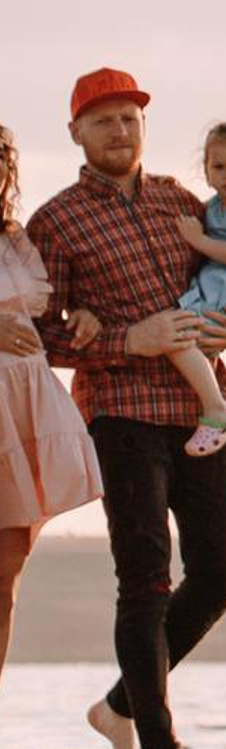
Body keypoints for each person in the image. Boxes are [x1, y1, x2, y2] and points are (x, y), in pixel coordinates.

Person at [26, 70, 226, 749]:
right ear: (75, 131)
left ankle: (117, 707)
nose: (119, 132)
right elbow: (39, 337)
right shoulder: (57, 222)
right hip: (121, 414)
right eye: (103, 121)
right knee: (145, 581)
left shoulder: (182, 202)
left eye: (129, 118)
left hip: (204, 412)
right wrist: (128, 340)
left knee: (220, 576)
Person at [71, 120, 226, 461]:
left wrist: (199, 240)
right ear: (207, 171)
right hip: (212, 291)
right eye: (219, 166)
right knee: (188, 339)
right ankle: (212, 408)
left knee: (176, 336)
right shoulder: (210, 207)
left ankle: (217, 409)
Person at [0, 122, 107, 700]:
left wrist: (82, 321)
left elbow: (43, 321)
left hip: (24, 406)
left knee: (6, 577)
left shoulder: (15, 238)